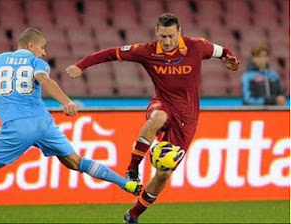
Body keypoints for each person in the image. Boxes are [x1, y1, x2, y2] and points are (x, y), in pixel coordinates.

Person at [0, 28, 142, 223]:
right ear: (30, 45)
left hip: (15, 127)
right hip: (43, 124)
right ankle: (125, 184)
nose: (44, 52)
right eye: (42, 48)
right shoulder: (37, 62)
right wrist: (66, 101)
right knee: (76, 161)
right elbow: (44, 80)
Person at [66, 13, 240, 223]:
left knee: (163, 174)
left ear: (179, 32)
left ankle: (133, 215)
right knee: (157, 117)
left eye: (170, 36)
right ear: (157, 33)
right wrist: (81, 65)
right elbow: (112, 53)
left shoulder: (197, 47)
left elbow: (223, 52)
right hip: (162, 103)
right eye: (162, 36)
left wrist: (229, 59)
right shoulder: (147, 51)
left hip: (188, 118)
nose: (166, 41)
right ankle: (132, 169)